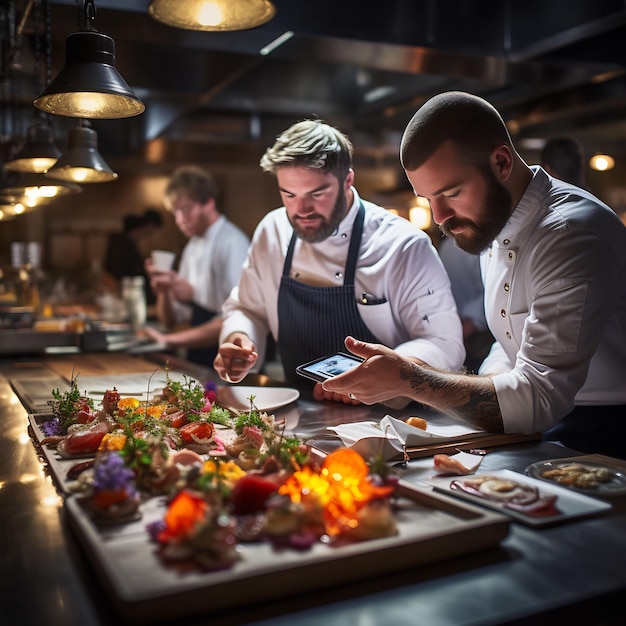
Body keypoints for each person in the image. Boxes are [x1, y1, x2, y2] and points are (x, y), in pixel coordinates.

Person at [322, 91, 626, 459]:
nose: (439, 217)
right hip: (546, 420)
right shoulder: (495, 222)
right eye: (427, 198)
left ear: (500, 162)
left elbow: (540, 397)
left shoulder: (570, 235)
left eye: (451, 192)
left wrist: (412, 380)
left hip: (606, 431)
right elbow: (513, 343)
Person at [213, 119, 465, 405]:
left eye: (316, 194)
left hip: (389, 423)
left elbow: (444, 344)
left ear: (347, 180)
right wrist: (239, 339)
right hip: (298, 412)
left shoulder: (403, 246)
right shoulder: (272, 230)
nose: (301, 210)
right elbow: (248, 308)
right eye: (289, 195)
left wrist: (384, 377)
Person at [143, 165, 250, 366]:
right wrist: (165, 290)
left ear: (209, 204)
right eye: (175, 212)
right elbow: (171, 320)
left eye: (186, 209)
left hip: (226, 357)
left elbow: (235, 318)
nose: (180, 220)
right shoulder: (192, 245)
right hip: (198, 356)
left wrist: (166, 340)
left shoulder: (232, 243)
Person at [437, 234, 493, 373]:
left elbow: (492, 294)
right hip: (468, 334)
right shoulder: (473, 246)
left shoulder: (449, 246)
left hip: (475, 333)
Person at [103, 208, 163, 304]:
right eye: (152, 230)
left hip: (130, 295)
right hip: (130, 296)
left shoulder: (121, 242)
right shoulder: (123, 244)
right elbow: (119, 272)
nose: (151, 234)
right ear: (149, 226)